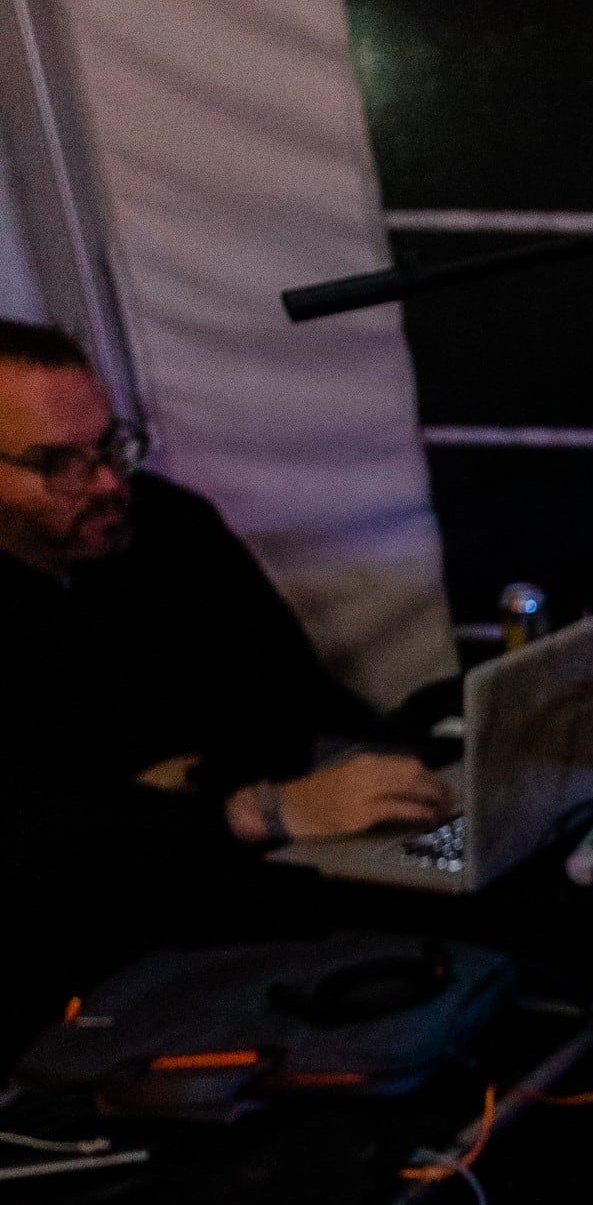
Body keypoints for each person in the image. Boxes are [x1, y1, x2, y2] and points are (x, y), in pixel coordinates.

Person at [0, 319, 448, 1050]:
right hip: (95, 956)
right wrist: (248, 809)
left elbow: (290, 702)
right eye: (61, 464)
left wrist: (187, 792)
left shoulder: (169, 526)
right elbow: (33, 849)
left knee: (504, 880)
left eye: (108, 444)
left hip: (240, 868)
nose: (109, 482)